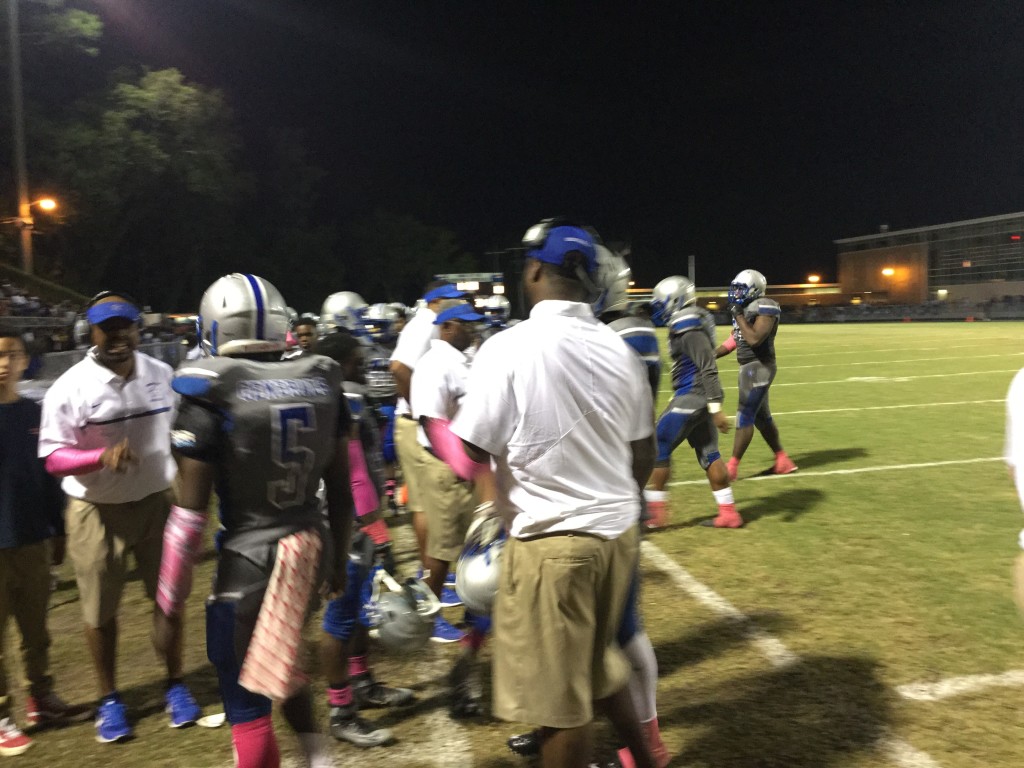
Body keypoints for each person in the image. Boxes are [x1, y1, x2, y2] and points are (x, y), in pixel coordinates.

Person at [452, 221, 657, 768]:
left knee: (560, 705)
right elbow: (643, 454)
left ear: (536, 269)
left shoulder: (509, 347)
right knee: (595, 667)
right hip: (617, 535)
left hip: (554, 543)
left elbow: (472, 446)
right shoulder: (619, 350)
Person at [155, 273, 352, 768]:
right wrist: (339, 562)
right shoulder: (321, 380)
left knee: (244, 695)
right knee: (282, 658)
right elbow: (342, 489)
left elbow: (189, 520)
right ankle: (319, 759)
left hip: (252, 557)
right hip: (311, 545)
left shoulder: (211, 393)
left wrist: (169, 602)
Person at [38, 292, 200, 743]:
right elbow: (52, 457)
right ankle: (110, 698)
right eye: (107, 329)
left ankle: (176, 684)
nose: (117, 336)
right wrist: (98, 457)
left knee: (168, 601)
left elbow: (181, 433)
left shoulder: (162, 374)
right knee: (99, 612)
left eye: (124, 326)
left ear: (136, 329)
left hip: (157, 502)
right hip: (96, 510)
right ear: (90, 333)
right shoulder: (69, 387)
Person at [313, 330, 411, 750]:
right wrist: (376, 528)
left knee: (355, 609)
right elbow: (354, 471)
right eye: (356, 360)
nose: (365, 368)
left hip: (349, 518)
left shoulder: (333, 395)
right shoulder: (343, 397)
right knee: (339, 618)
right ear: (339, 365)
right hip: (347, 522)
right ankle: (341, 710)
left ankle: (361, 682)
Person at [0, 332, 88, 756]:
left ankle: (41, 698)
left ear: (24, 362)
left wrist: (58, 528)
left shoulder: (35, 414)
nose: (3, 363)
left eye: (11, 354)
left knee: (36, 630)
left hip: (33, 538)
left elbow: (49, 475)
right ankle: (2, 715)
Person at [649, 276, 740, 530]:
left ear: (675, 299)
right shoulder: (693, 319)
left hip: (694, 395)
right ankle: (728, 513)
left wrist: (715, 406)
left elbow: (707, 365)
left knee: (657, 445)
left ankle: (655, 513)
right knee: (710, 454)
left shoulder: (686, 322)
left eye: (661, 302)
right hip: (695, 396)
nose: (659, 308)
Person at [389, 281, 464, 566]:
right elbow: (398, 368)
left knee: (428, 503)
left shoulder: (425, 322)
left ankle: (432, 571)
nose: (455, 304)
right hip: (414, 423)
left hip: (415, 421)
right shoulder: (426, 323)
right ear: (434, 301)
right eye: (449, 299)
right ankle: (433, 573)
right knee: (427, 504)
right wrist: (417, 407)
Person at [715, 269, 797, 481]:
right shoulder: (745, 309)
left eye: (741, 289)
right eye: (735, 288)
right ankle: (783, 461)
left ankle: (732, 467)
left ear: (755, 289)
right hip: (749, 368)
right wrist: (711, 355)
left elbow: (754, 339)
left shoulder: (764, 306)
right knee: (761, 417)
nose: (736, 293)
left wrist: (738, 315)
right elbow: (735, 340)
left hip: (758, 367)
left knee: (745, 415)